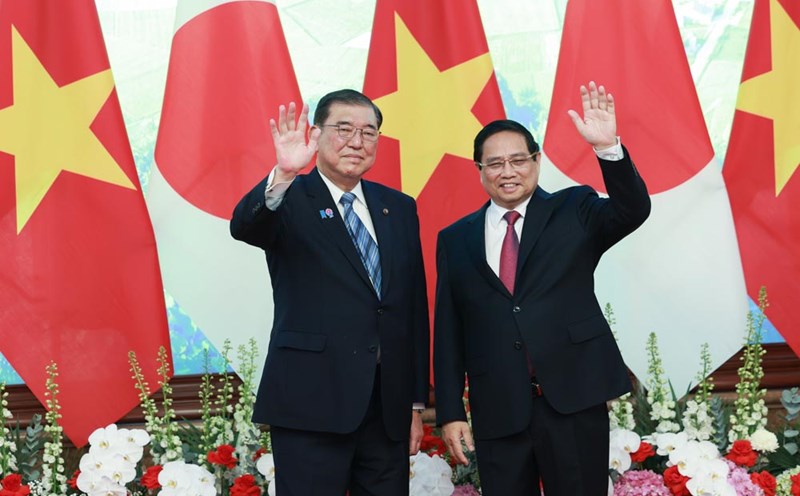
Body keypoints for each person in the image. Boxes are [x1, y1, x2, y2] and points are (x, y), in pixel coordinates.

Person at [433, 81, 651, 496]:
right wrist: (449, 411)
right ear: (479, 169)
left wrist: (608, 149)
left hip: (573, 397)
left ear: (536, 161)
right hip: (497, 405)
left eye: (518, 160)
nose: (507, 171)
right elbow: (449, 328)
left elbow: (632, 210)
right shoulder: (456, 238)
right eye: (494, 163)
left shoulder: (575, 209)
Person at [230, 89, 429, 496]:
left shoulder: (399, 207)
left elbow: (410, 308)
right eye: (343, 129)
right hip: (311, 402)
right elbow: (245, 226)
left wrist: (413, 403)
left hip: (385, 407)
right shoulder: (289, 198)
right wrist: (284, 173)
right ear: (316, 134)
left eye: (368, 132)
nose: (356, 142)